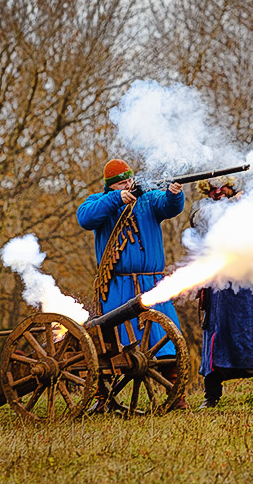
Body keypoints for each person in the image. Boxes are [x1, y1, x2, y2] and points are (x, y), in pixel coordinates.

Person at [76, 159, 187, 407]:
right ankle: (102, 396)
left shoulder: (148, 199)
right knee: (108, 345)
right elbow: (85, 218)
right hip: (117, 286)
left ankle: (176, 394)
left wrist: (174, 193)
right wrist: (117, 199)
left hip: (152, 283)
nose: (128, 185)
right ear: (111, 186)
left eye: (129, 181)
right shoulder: (101, 201)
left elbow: (168, 206)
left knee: (166, 340)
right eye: (122, 184)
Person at [191, 178, 253, 408]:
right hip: (221, 288)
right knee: (218, 340)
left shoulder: (251, 206)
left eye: (222, 187)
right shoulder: (204, 210)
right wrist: (232, 205)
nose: (218, 191)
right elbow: (199, 220)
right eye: (213, 188)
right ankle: (211, 395)